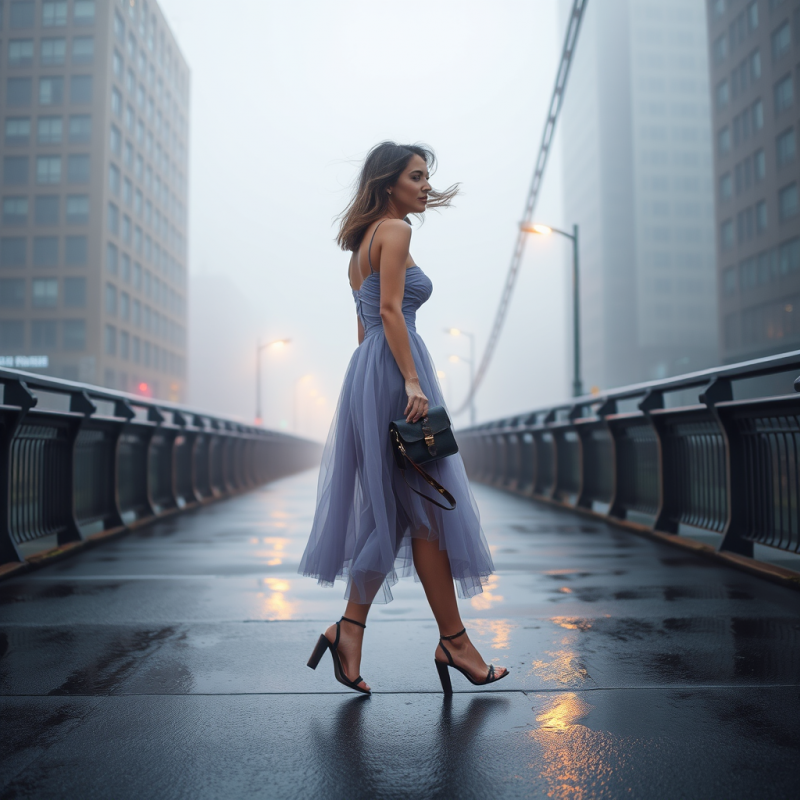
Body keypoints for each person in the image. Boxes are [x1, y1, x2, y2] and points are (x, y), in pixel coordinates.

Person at [298, 142, 509, 695]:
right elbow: (390, 311)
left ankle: (351, 630)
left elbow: (364, 327)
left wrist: (370, 393)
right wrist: (411, 381)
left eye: (425, 177)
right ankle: (453, 641)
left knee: (395, 513)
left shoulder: (358, 248)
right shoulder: (396, 232)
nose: (424, 186)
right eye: (415, 176)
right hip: (396, 373)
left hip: (368, 373)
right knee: (430, 511)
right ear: (388, 182)